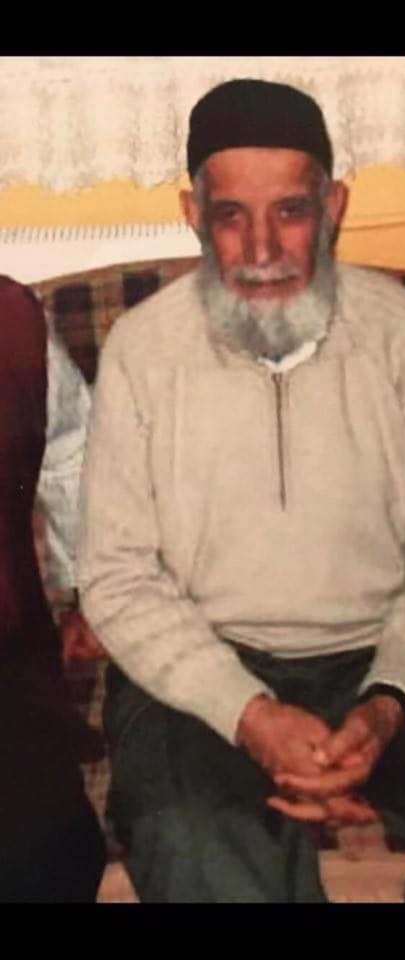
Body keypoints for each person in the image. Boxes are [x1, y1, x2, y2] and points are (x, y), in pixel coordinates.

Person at [77, 80, 405, 903]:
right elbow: (117, 576)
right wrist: (251, 715)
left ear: (334, 207)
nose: (262, 247)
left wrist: (387, 705)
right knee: (194, 846)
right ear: (193, 214)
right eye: (231, 215)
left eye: (290, 211)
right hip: (203, 672)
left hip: (392, 657)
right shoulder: (141, 352)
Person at [0, 275, 106, 902]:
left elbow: (72, 452)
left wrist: (89, 588)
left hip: (10, 667)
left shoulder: (12, 323)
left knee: (51, 859)